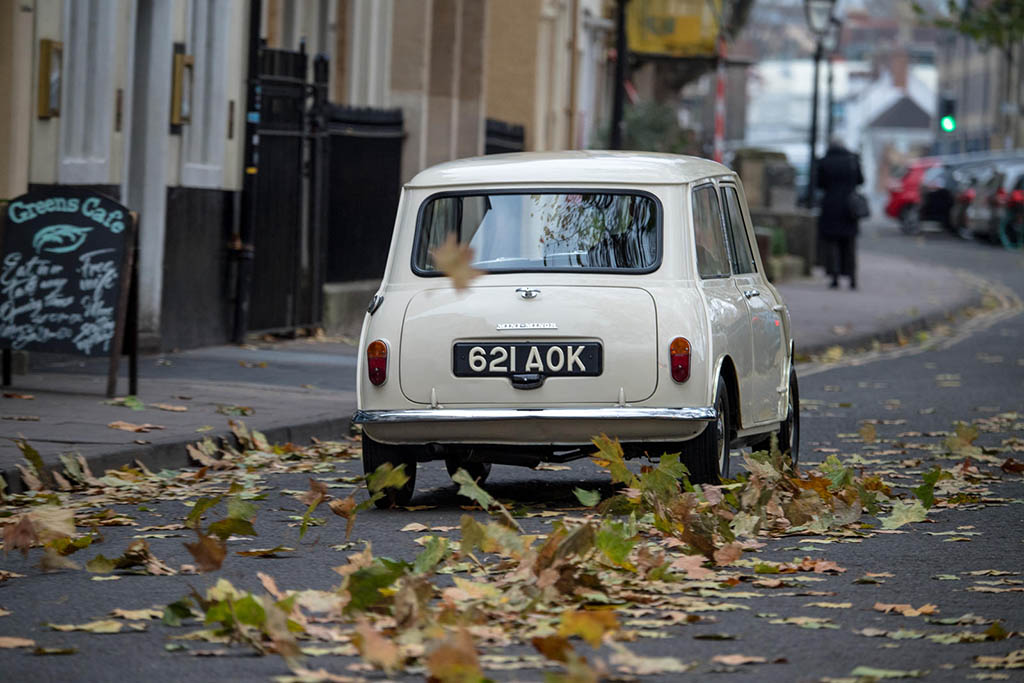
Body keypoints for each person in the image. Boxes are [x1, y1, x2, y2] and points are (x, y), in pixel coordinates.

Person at [816, 137, 864, 289]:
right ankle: (852, 278)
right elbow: (861, 181)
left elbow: (819, 184)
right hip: (850, 207)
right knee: (849, 243)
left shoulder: (824, 161)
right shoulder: (852, 160)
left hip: (830, 205)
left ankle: (834, 277)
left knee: (832, 243)